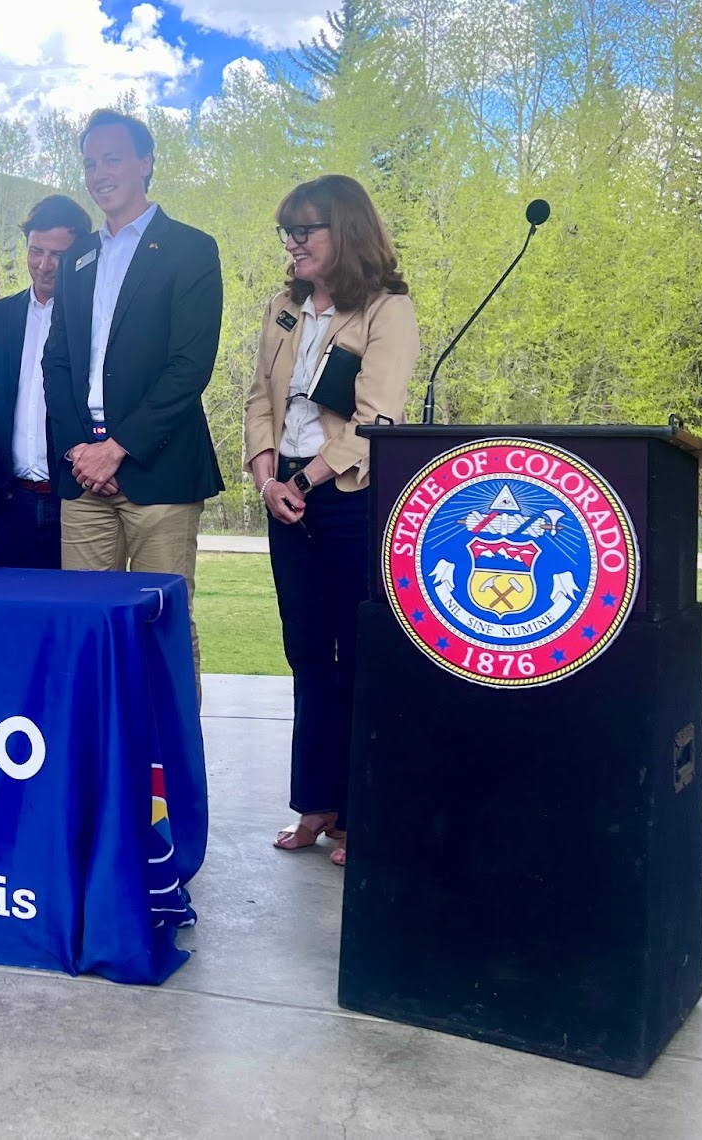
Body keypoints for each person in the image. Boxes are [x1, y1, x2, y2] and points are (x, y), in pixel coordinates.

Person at [243, 174, 421, 867]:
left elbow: (377, 419)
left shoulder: (386, 308)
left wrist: (305, 481)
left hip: (347, 497)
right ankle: (315, 803)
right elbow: (261, 399)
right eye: (286, 232)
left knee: (357, 655)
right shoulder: (282, 309)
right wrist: (267, 479)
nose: (291, 244)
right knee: (307, 653)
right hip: (283, 491)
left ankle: (361, 811)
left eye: (304, 230)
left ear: (342, 231)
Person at [41, 108, 224, 678]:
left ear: (146, 163)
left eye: (112, 158)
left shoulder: (191, 249)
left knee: (163, 627)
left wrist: (116, 448)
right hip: (82, 474)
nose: (99, 172)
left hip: (160, 471)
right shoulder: (76, 258)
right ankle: (98, 763)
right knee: (85, 628)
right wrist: (81, 449)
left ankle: (170, 767)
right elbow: (57, 361)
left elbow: (189, 368)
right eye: (90, 163)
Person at [0, 194, 93, 568]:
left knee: (72, 615)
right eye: (36, 251)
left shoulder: (94, 318)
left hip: (75, 499)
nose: (45, 265)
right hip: (8, 501)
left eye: (58, 254)